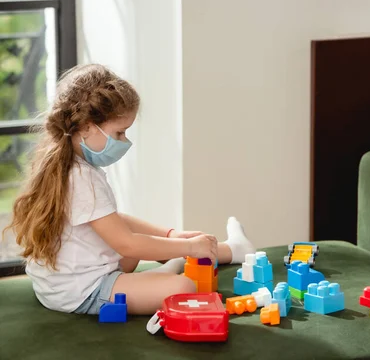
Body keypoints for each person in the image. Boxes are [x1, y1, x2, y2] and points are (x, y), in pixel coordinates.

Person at [2, 64, 255, 316]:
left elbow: (113, 222)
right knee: (183, 286)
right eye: (120, 133)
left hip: (57, 284)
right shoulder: (81, 179)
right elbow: (128, 245)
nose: (125, 142)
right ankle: (182, 265)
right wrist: (187, 248)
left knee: (133, 244)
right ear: (88, 126)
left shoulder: (64, 162)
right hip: (82, 291)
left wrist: (172, 235)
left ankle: (231, 249)